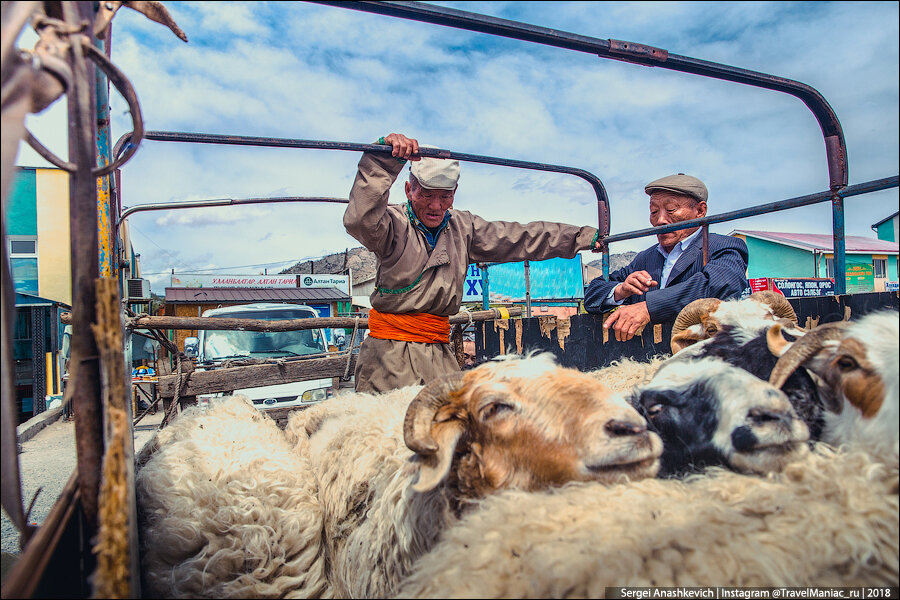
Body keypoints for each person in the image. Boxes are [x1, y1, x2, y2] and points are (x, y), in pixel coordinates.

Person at [344, 133, 600, 393]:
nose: (436, 205)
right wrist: (382, 162)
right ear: (409, 190)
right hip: (389, 355)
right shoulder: (392, 225)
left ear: (454, 194)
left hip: (439, 355)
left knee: (447, 425)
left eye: (445, 196)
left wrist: (579, 237)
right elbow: (360, 219)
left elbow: (520, 237)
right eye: (427, 195)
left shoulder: (463, 227)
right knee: (387, 428)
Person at [583, 173, 748, 342]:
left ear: (700, 210)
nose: (660, 220)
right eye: (654, 211)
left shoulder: (723, 246)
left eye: (671, 210)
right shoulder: (645, 258)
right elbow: (592, 294)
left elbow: (719, 285)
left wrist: (649, 308)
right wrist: (620, 290)